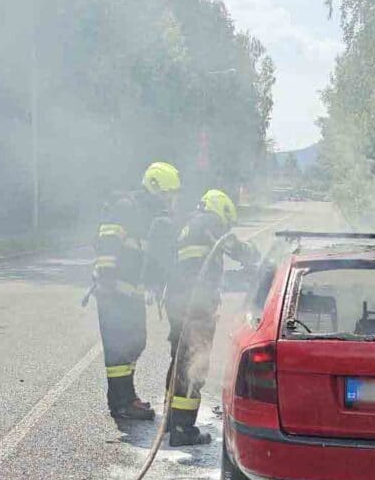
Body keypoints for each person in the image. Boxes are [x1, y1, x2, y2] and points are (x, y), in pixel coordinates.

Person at [165, 188, 257, 446]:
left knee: (179, 359)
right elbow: (232, 246)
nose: (226, 225)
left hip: (178, 303)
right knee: (195, 364)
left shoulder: (190, 225)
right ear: (221, 209)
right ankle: (183, 429)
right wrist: (254, 257)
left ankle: (171, 421)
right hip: (195, 307)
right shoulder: (208, 223)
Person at [92, 161, 181, 420]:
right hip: (113, 291)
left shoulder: (152, 217)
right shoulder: (127, 207)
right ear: (154, 187)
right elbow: (107, 239)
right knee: (119, 347)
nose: (169, 200)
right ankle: (121, 404)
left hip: (131, 293)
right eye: (167, 194)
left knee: (135, 341)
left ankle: (126, 397)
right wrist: (107, 280)